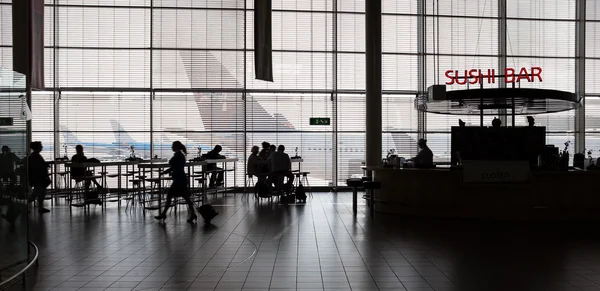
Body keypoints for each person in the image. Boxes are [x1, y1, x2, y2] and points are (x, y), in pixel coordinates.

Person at [155, 141, 197, 223]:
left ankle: (164, 214)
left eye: (173, 146)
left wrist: (166, 172)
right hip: (181, 179)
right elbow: (175, 167)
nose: (172, 147)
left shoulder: (178, 156)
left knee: (170, 196)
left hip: (178, 180)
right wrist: (166, 172)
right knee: (186, 198)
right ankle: (193, 214)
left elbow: (175, 167)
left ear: (177, 147)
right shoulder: (180, 155)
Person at [28, 142, 51, 213]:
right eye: (41, 146)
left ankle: (40, 208)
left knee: (41, 193)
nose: (42, 147)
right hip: (39, 179)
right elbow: (38, 168)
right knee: (35, 194)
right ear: (37, 147)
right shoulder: (36, 156)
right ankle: (22, 205)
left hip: (38, 178)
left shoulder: (34, 156)